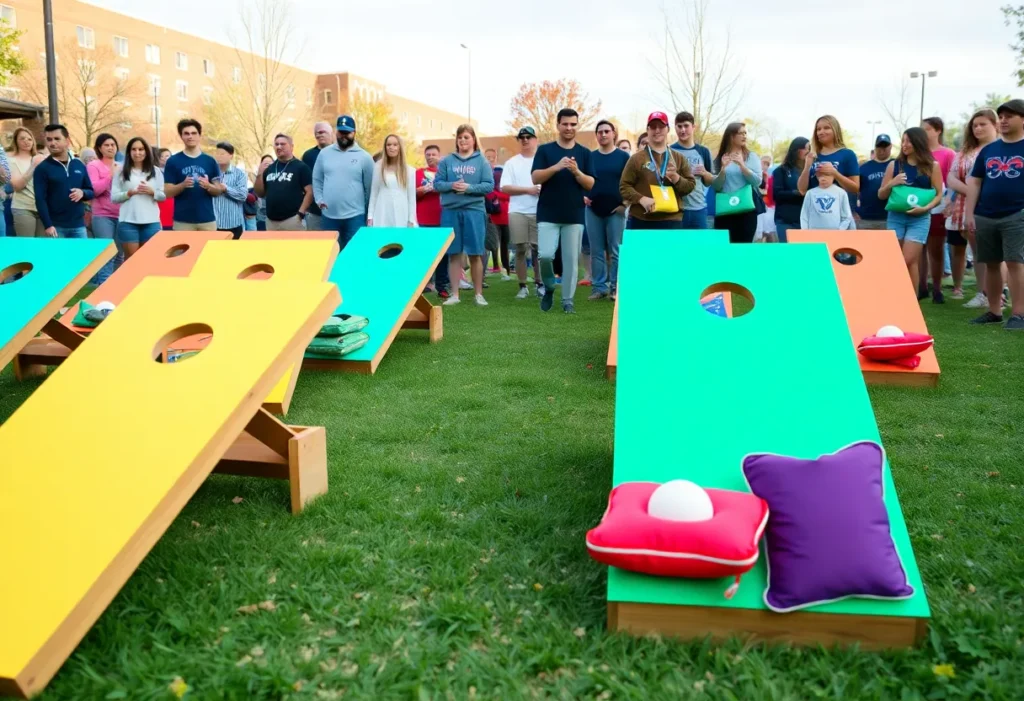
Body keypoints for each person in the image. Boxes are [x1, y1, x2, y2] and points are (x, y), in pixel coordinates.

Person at [964, 99, 1024, 330]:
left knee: (1015, 262)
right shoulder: (989, 150)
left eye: (1010, 116)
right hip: (985, 215)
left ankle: (1018, 314)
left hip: (1017, 214)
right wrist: (970, 214)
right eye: (1002, 116)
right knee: (990, 263)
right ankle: (994, 311)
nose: (1004, 120)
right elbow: (975, 182)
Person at [531, 108, 595, 314]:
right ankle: (549, 286)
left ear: (577, 125)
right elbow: (535, 178)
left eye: (573, 124)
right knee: (546, 255)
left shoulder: (585, 153)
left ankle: (568, 300)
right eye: (565, 124)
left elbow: (590, 184)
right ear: (558, 125)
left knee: (571, 261)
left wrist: (576, 171)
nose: (569, 128)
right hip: (548, 213)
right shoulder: (545, 151)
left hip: (574, 214)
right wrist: (556, 167)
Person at [433, 124, 493, 306]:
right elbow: (437, 184)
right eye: (460, 138)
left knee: (475, 253)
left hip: (474, 211)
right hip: (451, 211)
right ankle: (455, 295)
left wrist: (469, 188)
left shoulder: (481, 161)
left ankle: (478, 294)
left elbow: (489, 186)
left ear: (473, 139)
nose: (463, 141)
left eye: (466, 137)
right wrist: (452, 185)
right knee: (453, 254)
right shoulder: (446, 161)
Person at [878, 127, 945, 291]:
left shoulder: (932, 166)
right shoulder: (894, 165)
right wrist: (892, 183)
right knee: (895, 259)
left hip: (920, 219)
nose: (904, 144)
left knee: (909, 259)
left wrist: (925, 208)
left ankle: (911, 301)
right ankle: (897, 296)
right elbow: (881, 195)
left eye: (908, 141)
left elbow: (938, 195)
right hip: (895, 217)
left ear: (918, 142)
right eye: (903, 141)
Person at [947, 109, 999, 304]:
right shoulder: (965, 152)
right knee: (978, 252)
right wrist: (970, 191)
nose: (977, 128)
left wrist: (975, 192)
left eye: (983, 124)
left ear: (995, 125)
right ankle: (982, 293)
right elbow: (951, 177)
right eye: (974, 125)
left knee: (996, 253)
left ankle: (998, 293)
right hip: (966, 207)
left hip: (992, 207)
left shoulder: (1001, 149)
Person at [619, 111, 696, 232]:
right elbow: (624, 186)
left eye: (661, 126)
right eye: (653, 127)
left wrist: (676, 178)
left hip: (672, 220)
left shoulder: (678, 158)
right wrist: (641, 199)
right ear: (648, 130)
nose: (657, 130)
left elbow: (690, 186)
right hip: (642, 220)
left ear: (668, 129)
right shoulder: (636, 159)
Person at [312, 114, 374, 248]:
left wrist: (368, 212)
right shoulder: (324, 154)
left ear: (354, 133)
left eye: (347, 132)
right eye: (341, 132)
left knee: (354, 254)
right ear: (336, 132)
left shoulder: (364, 157)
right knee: (331, 255)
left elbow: (369, 187)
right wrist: (319, 199)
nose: (343, 136)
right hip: (329, 216)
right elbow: (317, 179)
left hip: (355, 216)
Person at [585, 120, 629, 300]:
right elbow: (581, 179)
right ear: (596, 135)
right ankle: (598, 287)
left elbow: (631, 182)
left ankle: (615, 288)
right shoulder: (590, 157)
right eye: (600, 132)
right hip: (593, 209)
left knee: (616, 250)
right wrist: (582, 196)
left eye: (606, 131)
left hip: (616, 210)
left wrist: (625, 204)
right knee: (596, 251)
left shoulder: (623, 157)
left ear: (613, 134)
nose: (603, 135)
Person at [502, 126, 543, 300]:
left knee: (539, 250)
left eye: (529, 137)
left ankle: (540, 284)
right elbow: (505, 187)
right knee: (520, 249)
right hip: (517, 211)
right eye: (522, 137)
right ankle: (522, 285)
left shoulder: (543, 161)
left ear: (535, 140)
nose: (525, 140)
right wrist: (529, 190)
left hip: (539, 211)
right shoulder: (512, 162)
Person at [920, 116, 958, 302]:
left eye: (927, 129)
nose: (923, 132)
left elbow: (952, 181)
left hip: (938, 207)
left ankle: (937, 288)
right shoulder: (918, 153)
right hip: (918, 207)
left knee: (936, 249)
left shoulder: (948, 154)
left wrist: (950, 202)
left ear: (938, 130)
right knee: (919, 248)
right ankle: (921, 286)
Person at [33, 124, 94, 238]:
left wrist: (82, 192)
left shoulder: (79, 165)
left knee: (82, 256)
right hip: (56, 227)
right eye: (49, 139)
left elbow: (90, 191)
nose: (52, 143)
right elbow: (40, 200)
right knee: (57, 257)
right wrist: (48, 225)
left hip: (79, 226)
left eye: (57, 139)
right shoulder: (42, 169)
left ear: (67, 141)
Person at [164, 119, 224, 231]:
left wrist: (208, 186)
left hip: (207, 220)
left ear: (199, 135)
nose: (190, 136)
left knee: (209, 249)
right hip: (182, 221)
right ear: (181, 136)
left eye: (193, 133)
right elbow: (167, 192)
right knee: (184, 249)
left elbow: (218, 191)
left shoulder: (210, 161)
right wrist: (182, 185)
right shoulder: (173, 161)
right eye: (186, 133)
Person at [111, 136, 165, 258]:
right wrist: (128, 193)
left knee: (149, 260)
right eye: (134, 149)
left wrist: (152, 192)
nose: (137, 153)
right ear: (129, 152)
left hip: (151, 221)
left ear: (146, 151)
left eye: (141, 149)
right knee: (132, 261)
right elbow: (114, 197)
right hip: (128, 221)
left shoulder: (155, 171)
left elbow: (162, 196)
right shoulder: (121, 171)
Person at [711, 122, 763, 243]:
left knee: (744, 251)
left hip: (746, 212)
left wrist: (742, 166)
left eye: (745, 133)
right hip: (724, 212)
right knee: (725, 251)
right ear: (731, 136)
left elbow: (757, 182)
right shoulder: (719, 159)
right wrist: (723, 170)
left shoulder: (751, 156)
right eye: (741, 133)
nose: (745, 136)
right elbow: (716, 186)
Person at [798, 115, 860, 215]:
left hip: (839, 214)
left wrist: (835, 174)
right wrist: (807, 167)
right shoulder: (813, 155)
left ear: (835, 130)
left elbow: (855, 188)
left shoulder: (848, 154)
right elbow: (802, 190)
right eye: (818, 129)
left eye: (826, 128)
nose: (821, 132)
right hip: (815, 213)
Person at [254, 133, 313, 231]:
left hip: (292, 220)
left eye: (282, 144)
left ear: (291, 146)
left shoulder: (301, 167)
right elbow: (260, 193)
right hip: (271, 221)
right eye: (276, 144)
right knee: (273, 247)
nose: (279, 147)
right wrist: (260, 174)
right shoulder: (270, 168)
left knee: (295, 247)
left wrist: (300, 214)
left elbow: (310, 192)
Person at [669, 111, 714, 229]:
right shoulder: (669, 151)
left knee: (700, 247)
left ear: (693, 127)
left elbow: (709, 181)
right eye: (679, 126)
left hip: (698, 209)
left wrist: (704, 173)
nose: (682, 130)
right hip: (675, 209)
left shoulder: (704, 151)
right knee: (677, 247)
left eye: (686, 126)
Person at [86, 133, 120, 283]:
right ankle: (103, 288)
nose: (110, 147)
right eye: (106, 145)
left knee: (119, 254)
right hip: (103, 215)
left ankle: (117, 286)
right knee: (107, 254)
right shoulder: (93, 166)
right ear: (99, 148)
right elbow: (94, 190)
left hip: (122, 215)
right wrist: (110, 176)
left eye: (113, 144)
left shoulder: (122, 165)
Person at [416, 145, 447, 295]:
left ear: (439, 156)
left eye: (434, 154)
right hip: (423, 217)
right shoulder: (419, 173)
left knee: (442, 255)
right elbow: (412, 193)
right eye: (428, 154)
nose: (430, 157)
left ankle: (442, 286)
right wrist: (422, 190)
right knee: (424, 255)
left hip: (442, 217)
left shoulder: (445, 173)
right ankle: (426, 284)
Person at [368, 134, 416, 228]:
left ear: (399, 147)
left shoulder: (409, 171)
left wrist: (411, 220)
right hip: (382, 212)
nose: (391, 147)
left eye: (395, 145)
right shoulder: (378, 167)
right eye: (388, 145)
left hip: (402, 213)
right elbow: (374, 193)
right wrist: (370, 216)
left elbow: (411, 198)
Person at [8, 127, 47, 237]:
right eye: (22, 139)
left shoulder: (41, 159)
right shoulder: (11, 161)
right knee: (27, 246)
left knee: (41, 247)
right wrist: (33, 166)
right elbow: (17, 186)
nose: (26, 141)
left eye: (29, 139)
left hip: (42, 207)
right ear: (16, 141)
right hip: (23, 207)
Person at [772, 137, 809, 241]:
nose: (808, 152)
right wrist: (797, 193)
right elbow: (777, 194)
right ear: (797, 150)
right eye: (806, 148)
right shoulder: (781, 170)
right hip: (786, 220)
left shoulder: (811, 171)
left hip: (805, 220)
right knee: (788, 253)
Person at [857, 134, 895, 230]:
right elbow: (854, 190)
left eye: (885, 146)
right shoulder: (864, 167)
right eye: (879, 146)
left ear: (890, 146)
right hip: (866, 217)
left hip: (890, 218)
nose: (882, 149)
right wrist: (854, 210)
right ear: (875, 147)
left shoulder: (897, 165)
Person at [301, 121, 334, 231]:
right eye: (317, 133)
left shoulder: (341, 152)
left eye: (322, 132)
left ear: (331, 133)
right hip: (314, 211)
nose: (319, 135)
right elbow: (304, 181)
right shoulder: (308, 156)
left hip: (337, 211)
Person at [211, 141, 248, 239]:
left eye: (222, 154)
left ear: (231, 155)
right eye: (217, 154)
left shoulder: (239, 174)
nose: (219, 156)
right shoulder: (211, 173)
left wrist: (226, 188)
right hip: (213, 224)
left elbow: (243, 195)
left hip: (233, 223)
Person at [484, 148, 511, 278]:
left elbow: (509, 193)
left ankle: (506, 268)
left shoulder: (502, 171)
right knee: (493, 242)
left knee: (505, 242)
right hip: (492, 214)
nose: (490, 159)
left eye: (492, 157)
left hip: (506, 213)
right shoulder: (484, 173)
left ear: (496, 157)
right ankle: (495, 265)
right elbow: (488, 193)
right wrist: (497, 195)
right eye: (487, 157)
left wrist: (498, 195)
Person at [758, 154, 776, 240]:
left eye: (767, 164)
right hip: (759, 208)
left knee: (769, 232)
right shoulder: (754, 176)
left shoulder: (771, 178)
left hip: (769, 208)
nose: (765, 166)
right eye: (763, 163)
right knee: (760, 234)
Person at [155, 147, 174, 231]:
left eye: (167, 156)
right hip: (161, 205)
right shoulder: (155, 172)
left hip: (173, 206)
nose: (165, 158)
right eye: (162, 156)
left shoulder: (175, 171)